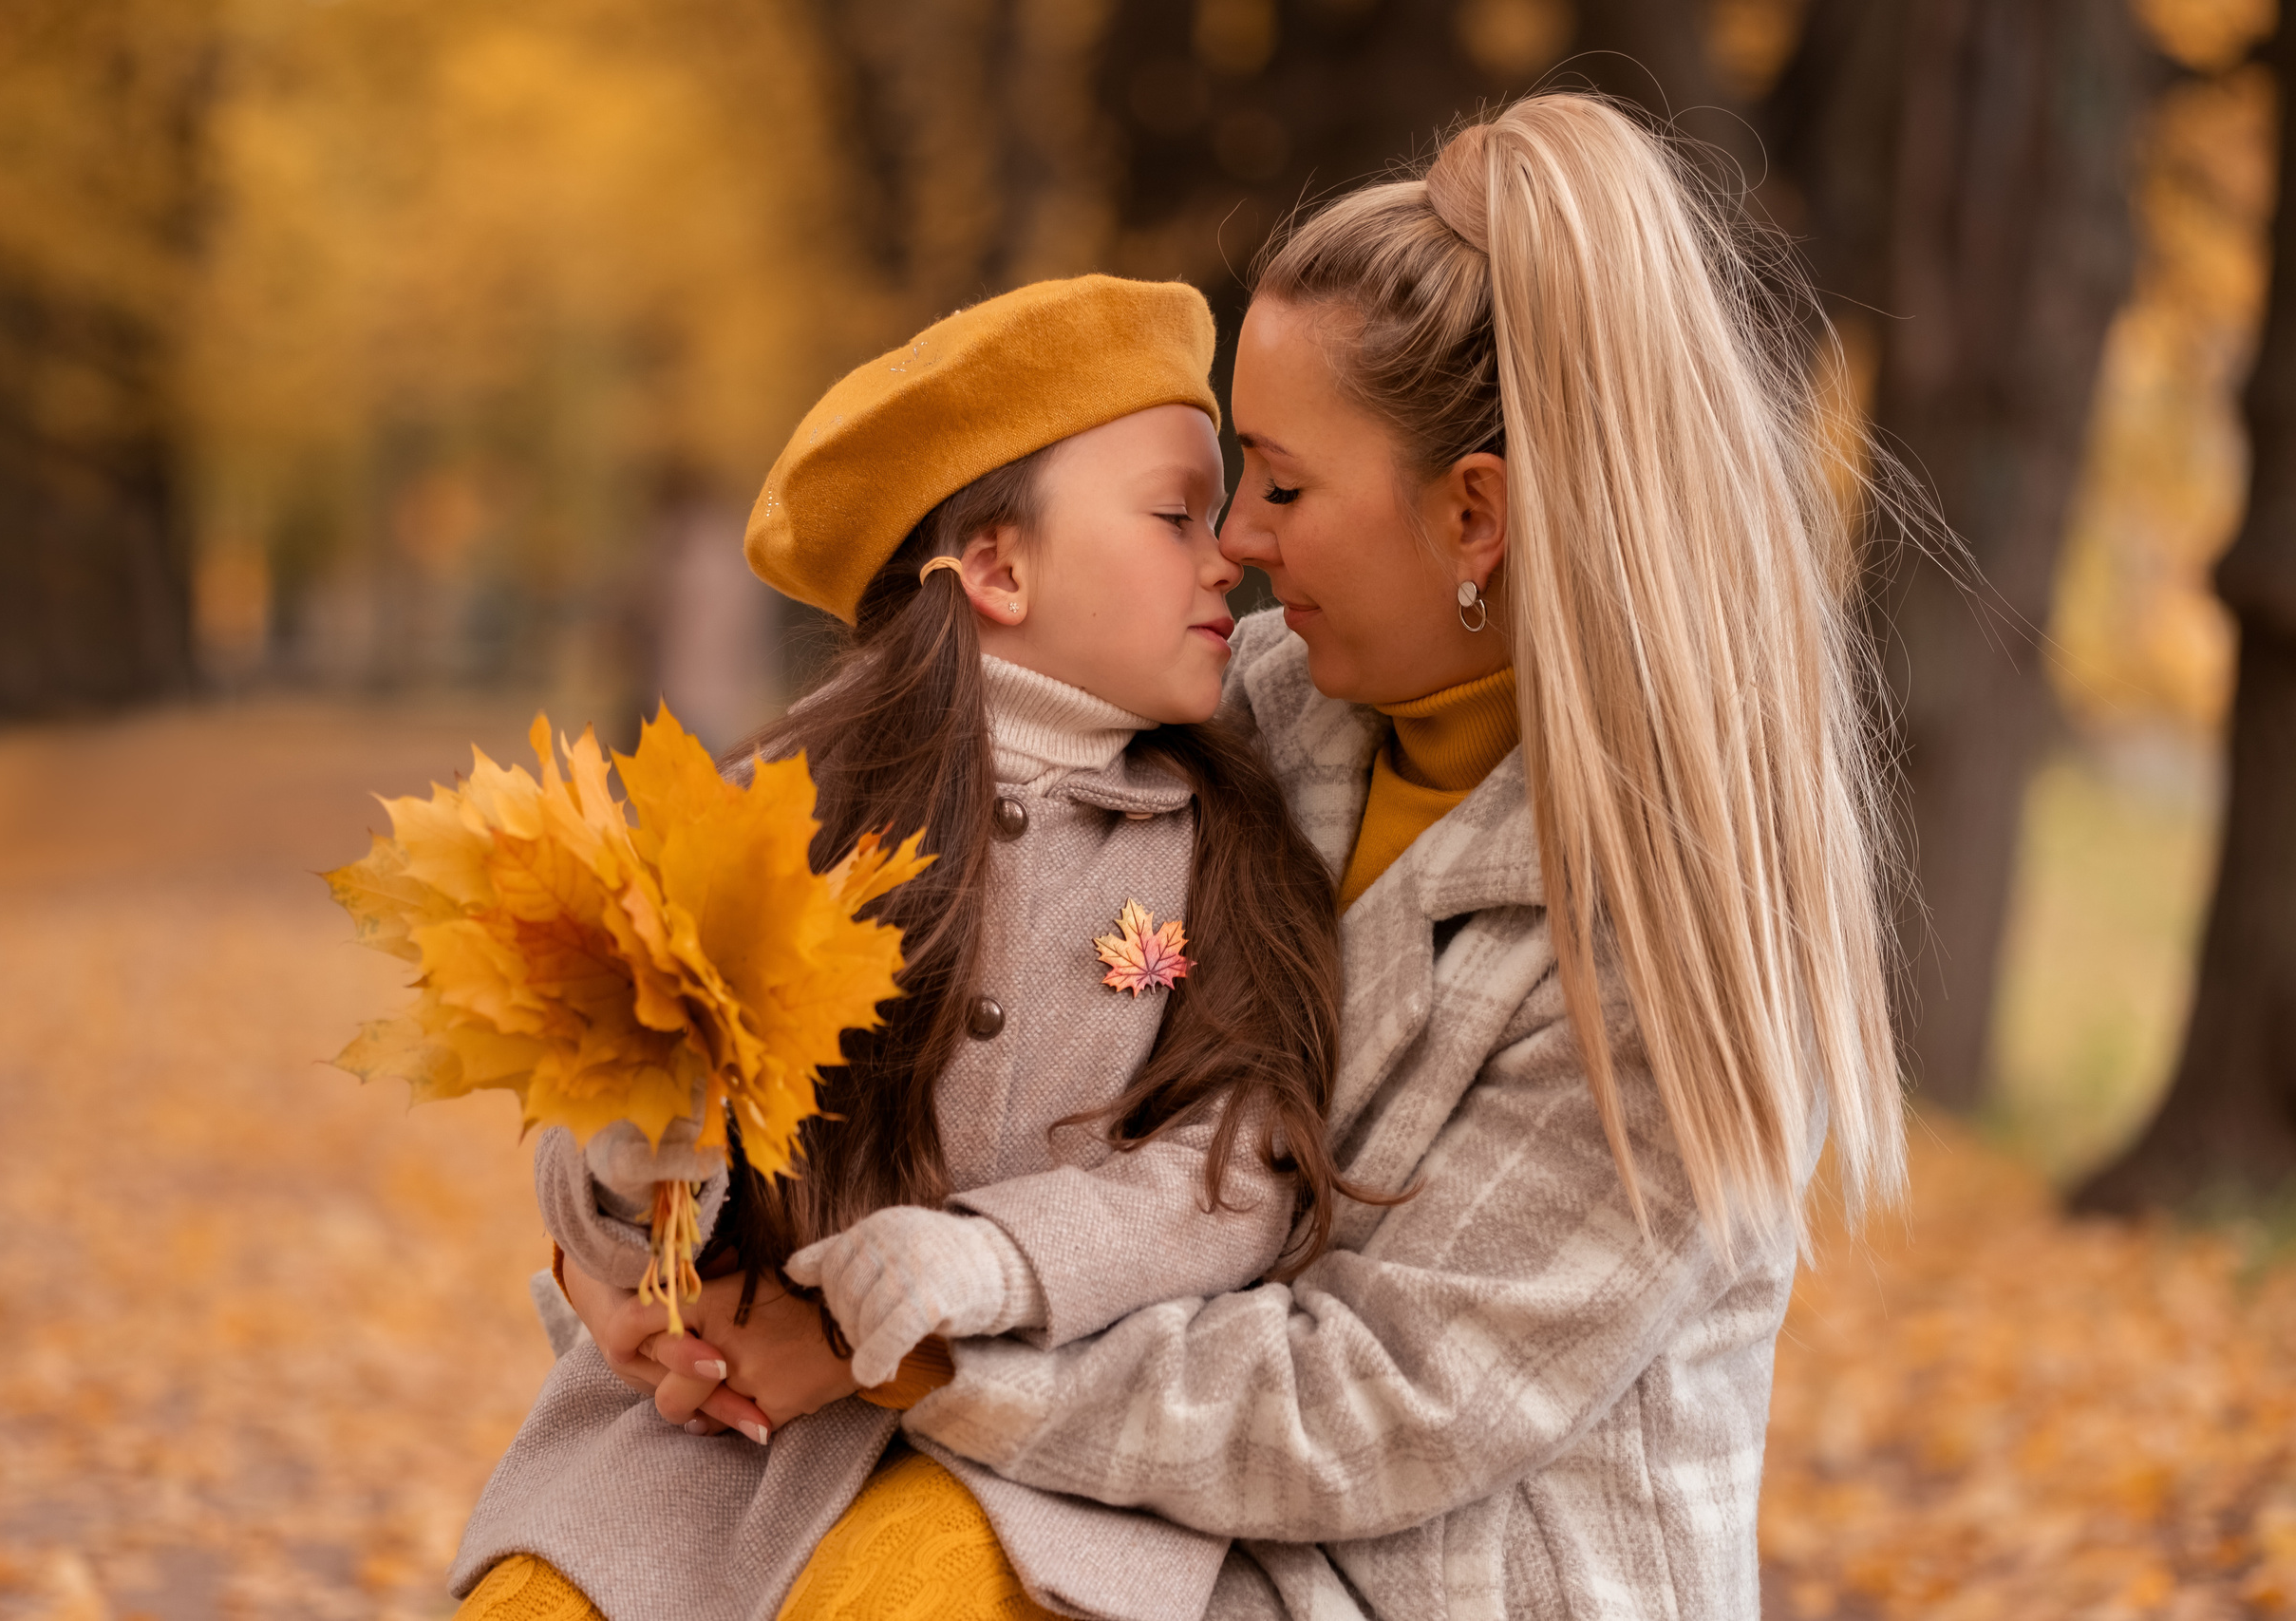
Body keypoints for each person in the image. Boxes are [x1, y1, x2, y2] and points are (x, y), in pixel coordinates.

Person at [632, 92, 1910, 1619]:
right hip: (1135, 1515)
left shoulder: (1690, 935)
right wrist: (651, 1271)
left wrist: (904, 1353)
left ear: (1476, 515)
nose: (1232, 539)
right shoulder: (1247, 709)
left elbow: (1385, 1401)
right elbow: (896, 916)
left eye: (1283, 486)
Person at [447, 274, 1374, 1621]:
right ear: (998, 568)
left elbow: (1238, 1172)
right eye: (1175, 514)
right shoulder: (785, 812)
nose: (1226, 550)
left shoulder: (1225, 841)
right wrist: (645, 1167)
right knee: (536, 1604)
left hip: (1035, 1455)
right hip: (723, 1448)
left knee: (900, 1599)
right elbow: (589, 1143)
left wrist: (992, 1262)